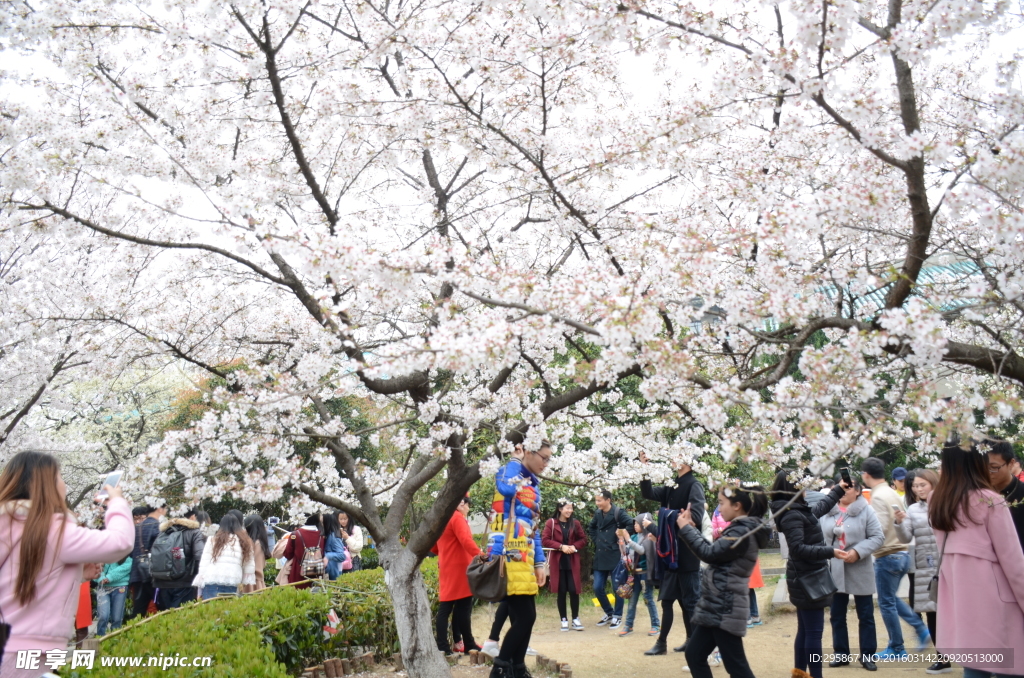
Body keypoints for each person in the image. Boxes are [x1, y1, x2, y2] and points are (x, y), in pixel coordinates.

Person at [0, 450, 135, 673]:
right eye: (60, 477)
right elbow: (120, 543)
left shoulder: (9, 523)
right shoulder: (52, 528)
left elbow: (21, 575)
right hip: (30, 647)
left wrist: (75, 574)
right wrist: (117, 503)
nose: (64, 484)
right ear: (47, 485)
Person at [930, 439, 1024, 678]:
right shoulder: (990, 500)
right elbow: (1014, 563)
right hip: (997, 599)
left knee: (975, 665)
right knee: (1010, 667)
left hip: (960, 597)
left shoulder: (936, 499)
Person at [676, 482, 769, 678]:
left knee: (736, 667)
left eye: (721, 503)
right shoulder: (739, 529)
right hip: (717, 604)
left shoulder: (741, 532)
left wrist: (686, 529)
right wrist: (692, 529)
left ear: (737, 506)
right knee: (694, 655)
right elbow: (714, 552)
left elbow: (709, 554)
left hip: (726, 606)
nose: (719, 508)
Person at [770, 470, 847, 678]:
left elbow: (820, 508)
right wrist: (830, 551)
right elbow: (798, 549)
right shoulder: (792, 514)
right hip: (807, 579)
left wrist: (839, 490)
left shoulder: (796, 509)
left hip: (805, 577)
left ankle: (800, 675)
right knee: (813, 633)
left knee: (805, 630)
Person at [485, 441, 549, 678]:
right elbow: (506, 489)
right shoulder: (508, 472)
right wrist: (515, 460)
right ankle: (500, 669)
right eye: (543, 457)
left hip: (525, 556)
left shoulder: (533, 484)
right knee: (526, 617)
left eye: (549, 459)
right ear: (528, 451)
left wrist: (539, 562)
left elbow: (534, 528)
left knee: (525, 618)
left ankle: (518, 669)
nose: (546, 463)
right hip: (508, 555)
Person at [861, 457, 930, 659]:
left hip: (888, 554)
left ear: (866, 475)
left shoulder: (878, 496)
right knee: (890, 598)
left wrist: (863, 541)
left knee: (886, 603)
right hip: (902, 553)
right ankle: (920, 629)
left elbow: (880, 528)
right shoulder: (890, 492)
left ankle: (898, 647)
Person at [639, 451, 706, 656]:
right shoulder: (671, 484)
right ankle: (665, 643)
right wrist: (644, 469)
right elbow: (648, 493)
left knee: (690, 602)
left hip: (686, 553)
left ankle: (697, 646)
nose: (672, 458)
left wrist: (666, 516)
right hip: (669, 554)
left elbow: (695, 517)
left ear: (687, 461)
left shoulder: (694, 485)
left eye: (677, 455)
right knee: (668, 600)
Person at [820, 475, 884, 671]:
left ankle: (867, 655)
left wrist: (857, 551)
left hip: (860, 566)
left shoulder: (866, 510)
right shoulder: (827, 510)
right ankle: (841, 653)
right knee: (837, 614)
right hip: (835, 567)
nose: (844, 491)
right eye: (841, 487)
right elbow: (819, 536)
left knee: (865, 614)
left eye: (849, 487)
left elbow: (877, 537)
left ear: (858, 491)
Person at [893, 469, 950, 674]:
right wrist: (899, 522)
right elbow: (905, 538)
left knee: (956, 613)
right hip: (926, 566)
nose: (918, 489)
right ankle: (942, 659)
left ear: (933, 483)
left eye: (922, 485)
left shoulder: (947, 504)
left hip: (949, 564)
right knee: (932, 614)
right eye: (915, 486)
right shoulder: (913, 509)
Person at [432, 495, 482, 655]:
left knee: (448, 607)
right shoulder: (458, 518)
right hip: (460, 568)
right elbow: (466, 540)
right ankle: (467, 643)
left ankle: (446, 645)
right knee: (462, 608)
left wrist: (445, 553)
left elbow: (433, 546)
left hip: (447, 566)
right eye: (468, 504)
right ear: (462, 503)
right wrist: (482, 556)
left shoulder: (443, 518)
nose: (468, 508)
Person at [588, 490, 633, 629]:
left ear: (608, 500)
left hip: (615, 554)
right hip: (600, 555)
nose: (597, 503)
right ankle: (609, 612)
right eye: (596, 500)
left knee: (617, 588)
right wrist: (597, 540)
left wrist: (621, 535)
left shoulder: (618, 512)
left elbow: (631, 524)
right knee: (597, 587)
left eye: (599, 500)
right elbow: (591, 527)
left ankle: (617, 615)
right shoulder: (598, 513)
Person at [541, 500, 587, 632]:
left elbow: (583, 539)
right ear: (560, 509)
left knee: (574, 590)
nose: (570, 511)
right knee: (561, 591)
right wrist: (561, 547)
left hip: (572, 560)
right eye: (567, 508)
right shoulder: (551, 523)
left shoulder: (575, 523)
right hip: (558, 561)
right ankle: (564, 620)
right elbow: (545, 540)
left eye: (571, 508)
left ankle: (575, 619)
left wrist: (573, 546)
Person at [193, 513, 256, 599]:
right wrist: (243, 584)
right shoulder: (245, 542)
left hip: (211, 580)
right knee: (228, 607)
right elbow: (249, 567)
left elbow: (204, 564)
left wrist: (199, 589)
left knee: (210, 607)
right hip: (233, 581)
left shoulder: (212, 540)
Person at [152, 513, 206, 610]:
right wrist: (195, 575)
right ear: (192, 516)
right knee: (182, 614)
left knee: (165, 615)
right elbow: (199, 556)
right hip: (184, 582)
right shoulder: (194, 532)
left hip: (162, 581)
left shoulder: (163, 532)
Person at [619, 513, 660, 638]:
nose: (635, 526)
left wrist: (628, 540)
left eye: (637, 523)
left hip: (645, 573)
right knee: (632, 600)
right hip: (634, 573)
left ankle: (656, 625)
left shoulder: (649, 537)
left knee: (648, 599)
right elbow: (626, 552)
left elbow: (642, 550)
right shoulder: (634, 537)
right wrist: (621, 541)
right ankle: (628, 625)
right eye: (634, 523)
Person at [982, 439, 1024, 551]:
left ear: (1011, 463)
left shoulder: (1021, 493)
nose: (987, 472)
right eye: (982, 467)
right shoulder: (977, 496)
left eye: (993, 467)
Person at [127, 503, 164, 620]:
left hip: (137, 572)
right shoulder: (158, 526)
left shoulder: (134, 529)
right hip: (153, 573)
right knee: (162, 606)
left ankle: (133, 630)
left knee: (138, 610)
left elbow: (129, 552)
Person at [284, 514, 327, 587]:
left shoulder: (295, 534)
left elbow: (288, 554)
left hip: (298, 574)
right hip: (316, 574)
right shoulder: (322, 536)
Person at [95, 554, 132, 635]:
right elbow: (95, 567)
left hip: (120, 587)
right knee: (103, 616)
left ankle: (115, 639)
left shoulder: (124, 553)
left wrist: (109, 577)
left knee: (117, 618)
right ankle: (100, 637)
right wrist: (101, 578)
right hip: (103, 587)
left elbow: (128, 564)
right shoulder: (101, 552)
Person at [242, 514, 270, 592]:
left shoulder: (257, 544)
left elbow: (256, 567)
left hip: (253, 581)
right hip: (253, 579)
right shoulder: (256, 542)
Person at [323, 512, 352, 581]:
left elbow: (342, 556)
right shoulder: (328, 535)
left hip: (333, 574)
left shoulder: (333, 536)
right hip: (331, 572)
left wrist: (328, 556)